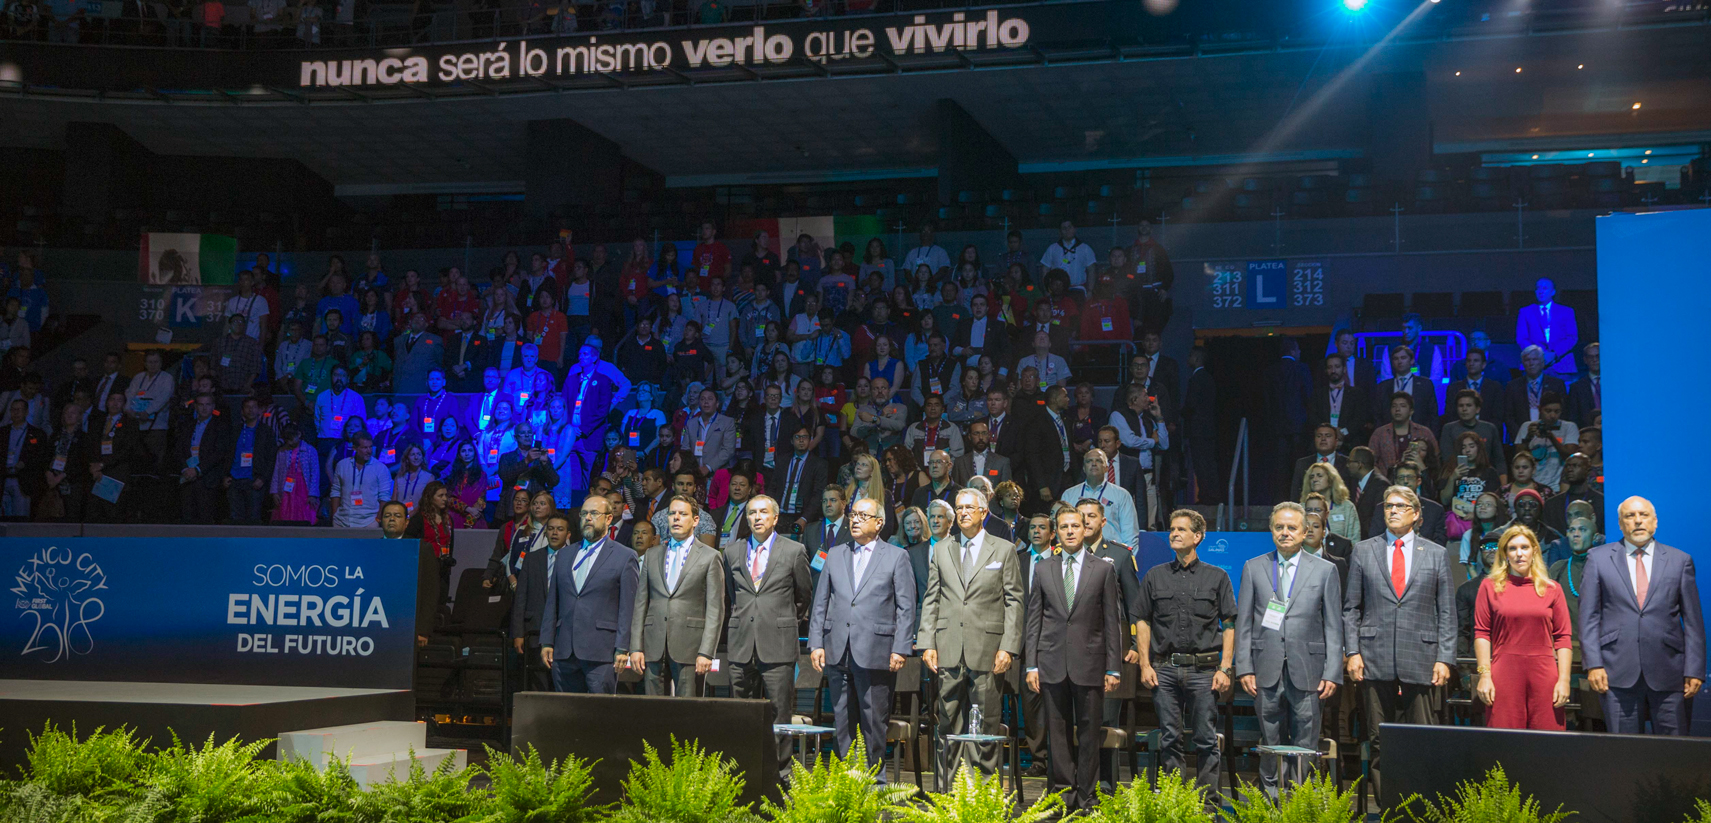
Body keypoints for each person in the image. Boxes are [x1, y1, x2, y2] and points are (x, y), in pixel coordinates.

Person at [1342, 484, 1456, 796]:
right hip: (1373, 655)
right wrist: (1352, 651)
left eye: (1401, 506)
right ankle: (1388, 806)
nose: (1393, 510)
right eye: (1388, 506)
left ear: (1417, 515)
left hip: (1421, 656)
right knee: (1379, 738)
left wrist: (1445, 657)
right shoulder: (1364, 550)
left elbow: (1446, 610)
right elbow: (1351, 607)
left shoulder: (1436, 554)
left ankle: (1421, 806)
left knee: (1421, 737)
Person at [917, 487, 1023, 790]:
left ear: (983, 513)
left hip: (988, 650)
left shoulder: (1003, 549)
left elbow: (1014, 601)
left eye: (969, 508)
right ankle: (945, 792)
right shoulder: (941, 548)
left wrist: (1008, 647)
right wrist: (927, 643)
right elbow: (932, 598)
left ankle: (983, 792)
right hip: (948, 646)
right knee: (947, 723)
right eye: (959, 507)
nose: (963, 512)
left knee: (985, 725)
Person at [1235, 502, 1343, 798]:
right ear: (1271, 530)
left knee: (1305, 743)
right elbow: (1243, 622)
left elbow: (1334, 625)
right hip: (1265, 670)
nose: (1285, 533)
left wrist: (1333, 672)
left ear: (1306, 531)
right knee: (1269, 742)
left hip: (1309, 671)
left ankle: (1299, 803)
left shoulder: (1326, 570)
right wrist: (1243, 666)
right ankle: (1271, 803)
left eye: (1291, 527)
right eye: (1279, 527)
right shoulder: (1253, 567)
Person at [1579, 496, 1706, 735]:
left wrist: (1694, 669)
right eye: (1630, 516)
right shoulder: (1598, 559)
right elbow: (1588, 618)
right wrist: (1593, 664)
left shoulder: (1680, 561)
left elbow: (1693, 621)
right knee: (1624, 755)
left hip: (1670, 672)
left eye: (1644, 515)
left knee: (1674, 752)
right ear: (1620, 524)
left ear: (1655, 522)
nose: (1637, 521)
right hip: (1615, 672)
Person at [1024, 505, 1122, 813]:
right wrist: (1031, 664)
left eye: (1075, 526)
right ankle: (1062, 795)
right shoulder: (1043, 568)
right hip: (1051, 663)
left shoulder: (1103, 569)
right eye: (1064, 526)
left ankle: (1087, 798)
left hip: (1090, 664)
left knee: (1089, 733)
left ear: (1085, 529)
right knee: (1058, 734)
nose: (1069, 531)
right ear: (1057, 531)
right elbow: (1034, 621)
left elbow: (1111, 622)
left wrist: (1113, 667)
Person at [1136, 509, 1234, 810]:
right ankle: (1174, 802)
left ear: (1198, 537)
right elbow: (1142, 620)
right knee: (1169, 739)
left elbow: (1230, 623)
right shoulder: (1155, 575)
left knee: (1205, 739)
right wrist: (1144, 663)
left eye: (1181, 529)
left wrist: (1225, 668)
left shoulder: (1217, 576)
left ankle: (1207, 805)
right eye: (1172, 529)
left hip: (1205, 670)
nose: (1174, 534)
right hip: (1164, 669)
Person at [808, 496, 915, 768]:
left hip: (876, 649)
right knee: (842, 718)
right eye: (853, 514)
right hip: (837, 648)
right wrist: (816, 643)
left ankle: (874, 778)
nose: (854, 519)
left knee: (873, 718)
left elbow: (906, 606)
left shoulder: (896, 556)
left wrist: (900, 648)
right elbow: (820, 602)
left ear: (879, 523)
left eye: (862, 516)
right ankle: (848, 776)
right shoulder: (836, 553)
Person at [722, 493, 814, 776]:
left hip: (778, 643)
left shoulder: (794, 550)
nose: (757, 517)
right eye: (752, 513)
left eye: (763, 512)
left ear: (775, 518)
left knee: (779, 715)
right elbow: (730, 594)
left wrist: (779, 620)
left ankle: (779, 776)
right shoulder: (732, 551)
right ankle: (743, 773)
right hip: (741, 644)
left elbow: (803, 596)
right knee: (741, 714)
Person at [1475, 525, 1574, 730]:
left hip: (1545, 674)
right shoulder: (1489, 586)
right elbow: (1482, 633)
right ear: (1505, 554)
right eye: (1512, 548)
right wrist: (1484, 675)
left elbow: (1563, 638)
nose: (1519, 553)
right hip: (1504, 674)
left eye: (1524, 547)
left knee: (1548, 740)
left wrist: (1564, 680)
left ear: (1534, 551)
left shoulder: (1552, 589)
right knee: (1504, 743)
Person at [629, 494, 725, 696]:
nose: (676, 518)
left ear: (695, 520)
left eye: (682, 514)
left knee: (688, 715)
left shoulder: (710, 556)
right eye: (672, 513)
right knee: (655, 714)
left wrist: (707, 651)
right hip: (653, 644)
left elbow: (715, 608)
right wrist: (636, 646)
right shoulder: (652, 554)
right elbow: (641, 604)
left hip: (690, 647)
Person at [541, 497, 639, 694]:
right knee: (566, 713)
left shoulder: (624, 556)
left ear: (609, 518)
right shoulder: (565, 554)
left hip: (601, 651)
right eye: (584, 514)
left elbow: (628, 608)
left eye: (594, 514)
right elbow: (553, 602)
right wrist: (547, 641)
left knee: (599, 716)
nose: (588, 518)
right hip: (564, 649)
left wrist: (623, 647)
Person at [168, 392, 230, 523]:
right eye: (201, 404)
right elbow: (178, 450)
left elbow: (219, 453)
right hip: (187, 478)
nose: (204, 408)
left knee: (205, 519)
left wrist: (197, 469)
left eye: (208, 404)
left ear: (213, 406)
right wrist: (185, 469)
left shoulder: (220, 426)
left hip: (207, 479)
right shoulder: (188, 425)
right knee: (187, 518)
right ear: (195, 406)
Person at [1058, 449, 1139, 549]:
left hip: (1112, 555)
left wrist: (1125, 560)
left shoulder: (1122, 495)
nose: (1094, 464)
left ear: (1106, 468)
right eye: (1089, 461)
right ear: (1084, 468)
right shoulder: (1069, 494)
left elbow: (1130, 534)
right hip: (1077, 554)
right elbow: (1061, 530)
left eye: (1099, 461)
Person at [225, 396, 278, 524]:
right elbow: (227, 454)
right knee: (235, 520)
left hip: (254, 481)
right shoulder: (235, 430)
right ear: (242, 411)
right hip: (234, 480)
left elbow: (271, 458)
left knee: (253, 520)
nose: (251, 410)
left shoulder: (266, 431)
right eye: (247, 407)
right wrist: (225, 475)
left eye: (254, 407)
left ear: (259, 410)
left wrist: (263, 478)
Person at [1513, 391, 1578, 492]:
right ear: (1539, 409)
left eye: (1557, 411)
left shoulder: (1569, 427)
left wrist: (1551, 436)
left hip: (1558, 486)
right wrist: (1528, 437)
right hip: (1532, 485)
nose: (1552, 415)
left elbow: (1570, 456)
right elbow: (1518, 455)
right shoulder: (1527, 426)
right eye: (1548, 411)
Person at [1503, 346, 1569, 444]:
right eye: (1527, 360)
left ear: (1542, 362)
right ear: (1523, 364)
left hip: (1552, 438)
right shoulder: (1512, 386)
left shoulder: (1557, 384)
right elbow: (1508, 416)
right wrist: (1521, 436)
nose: (1531, 363)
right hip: (1522, 439)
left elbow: (1563, 413)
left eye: (1535, 359)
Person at [1514, 277, 1578, 377]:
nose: (1541, 291)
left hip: (1561, 364)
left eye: (1545, 288)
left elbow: (1571, 337)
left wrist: (1554, 353)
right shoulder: (1525, 312)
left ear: (1553, 292)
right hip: (1533, 363)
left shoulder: (1566, 311)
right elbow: (1522, 338)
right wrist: (1538, 355)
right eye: (1538, 288)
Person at [768, 428, 826, 533]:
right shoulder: (782, 461)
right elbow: (773, 487)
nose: (801, 440)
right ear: (791, 440)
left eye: (805, 437)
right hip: (778, 514)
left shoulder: (818, 464)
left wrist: (804, 519)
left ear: (810, 440)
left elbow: (818, 495)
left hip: (802, 517)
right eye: (797, 437)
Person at [329, 433, 394, 528]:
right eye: (365, 448)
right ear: (355, 448)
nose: (369, 451)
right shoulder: (342, 465)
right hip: (342, 521)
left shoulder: (381, 469)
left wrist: (378, 520)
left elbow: (384, 497)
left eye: (370, 447)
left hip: (369, 522)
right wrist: (334, 516)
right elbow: (335, 492)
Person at [1374, 345, 1439, 433]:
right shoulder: (1383, 387)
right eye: (1396, 359)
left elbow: (1433, 415)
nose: (1399, 361)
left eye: (1403, 358)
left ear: (1412, 361)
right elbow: (1378, 416)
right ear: (1392, 362)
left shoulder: (1425, 384)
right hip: (1390, 435)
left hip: (1418, 435)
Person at [1312, 354, 1371, 449]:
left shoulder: (1356, 393)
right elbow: (1313, 417)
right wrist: (1329, 433)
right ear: (1326, 371)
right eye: (1330, 367)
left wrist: (1342, 433)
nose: (1333, 371)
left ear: (1344, 369)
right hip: (1323, 443)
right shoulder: (1318, 394)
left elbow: (1359, 419)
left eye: (1337, 366)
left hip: (1350, 443)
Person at [680, 388, 736, 472]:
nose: (706, 402)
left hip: (718, 473)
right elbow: (685, 448)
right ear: (699, 403)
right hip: (694, 472)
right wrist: (693, 469)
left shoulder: (727, 422)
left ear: (717, 404)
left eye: (710, 399)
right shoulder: (690, 423)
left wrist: (708, 468)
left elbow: (728, 450)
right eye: (702, 399)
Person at [1292, 424, 1354, 501]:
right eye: (1319, 436)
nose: (1323, 439)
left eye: (1328, 436)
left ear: (1336, 441)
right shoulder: (1302, 463)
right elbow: (1295, 494)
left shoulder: (1347, 463)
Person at [392, 311, 444, 394]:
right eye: (415, 317)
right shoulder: (399, 340)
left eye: (422, 318)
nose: (417, 320)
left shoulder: (435, 340)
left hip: (421, 387)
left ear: (426, 324)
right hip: (400, 387)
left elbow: (439, 362)